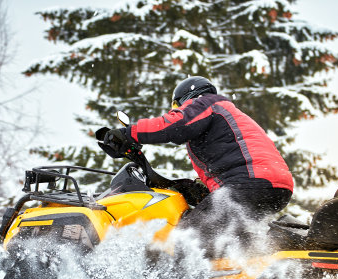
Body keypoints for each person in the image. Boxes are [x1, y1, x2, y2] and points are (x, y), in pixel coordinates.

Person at [104, 76, 294, 256]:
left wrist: (129, 133)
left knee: (182, 241)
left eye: (177, 107)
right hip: (275, 187)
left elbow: (175, 124)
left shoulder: (207, 103)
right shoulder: (228, 116)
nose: (176, 111)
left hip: (248, 184)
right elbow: (232, 159)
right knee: (224, 244)